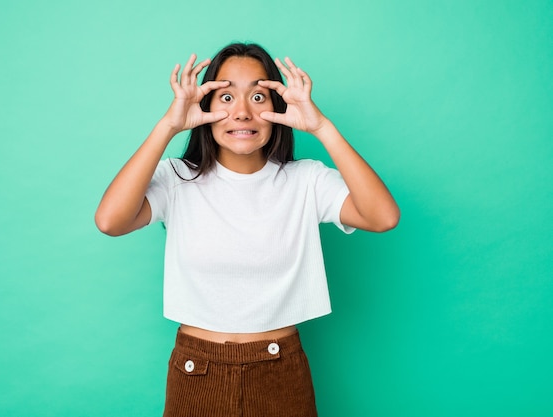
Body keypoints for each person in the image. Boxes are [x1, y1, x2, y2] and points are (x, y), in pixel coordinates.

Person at [95, 42, 400, 417]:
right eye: (225, 96)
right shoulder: (176, 179)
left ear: (279, 107)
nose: (241, 112)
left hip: (280, 371)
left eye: (258, 96)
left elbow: (382, 217)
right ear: (204, 107)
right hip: (198, 370)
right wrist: (168, 126)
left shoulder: (305, 180)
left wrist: (322, 127)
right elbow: (110, 221)